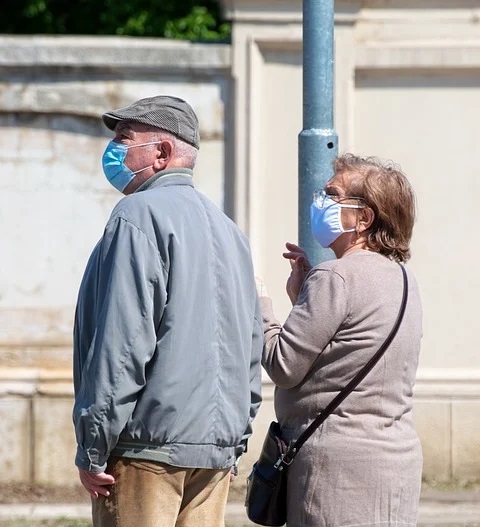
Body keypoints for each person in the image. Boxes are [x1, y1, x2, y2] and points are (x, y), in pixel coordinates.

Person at [72, 95, 263, 527]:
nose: (115, 150)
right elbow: (250, 346)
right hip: (213, 454)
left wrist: (93, 446)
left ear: (161, 153)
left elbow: (122, 343)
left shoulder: (137, 215)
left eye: (124, 139)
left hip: (146, 449)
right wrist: (233, 441)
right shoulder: (229, 229)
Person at [256, 154, 423, 527]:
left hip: (337, 470)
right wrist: (304, 299)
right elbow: (347, 347)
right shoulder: (403, 279)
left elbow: (283, 365)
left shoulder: (335, 277)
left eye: (332, 195)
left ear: (364, 218)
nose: (321, 202)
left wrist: (260, 307)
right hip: (395, 461)